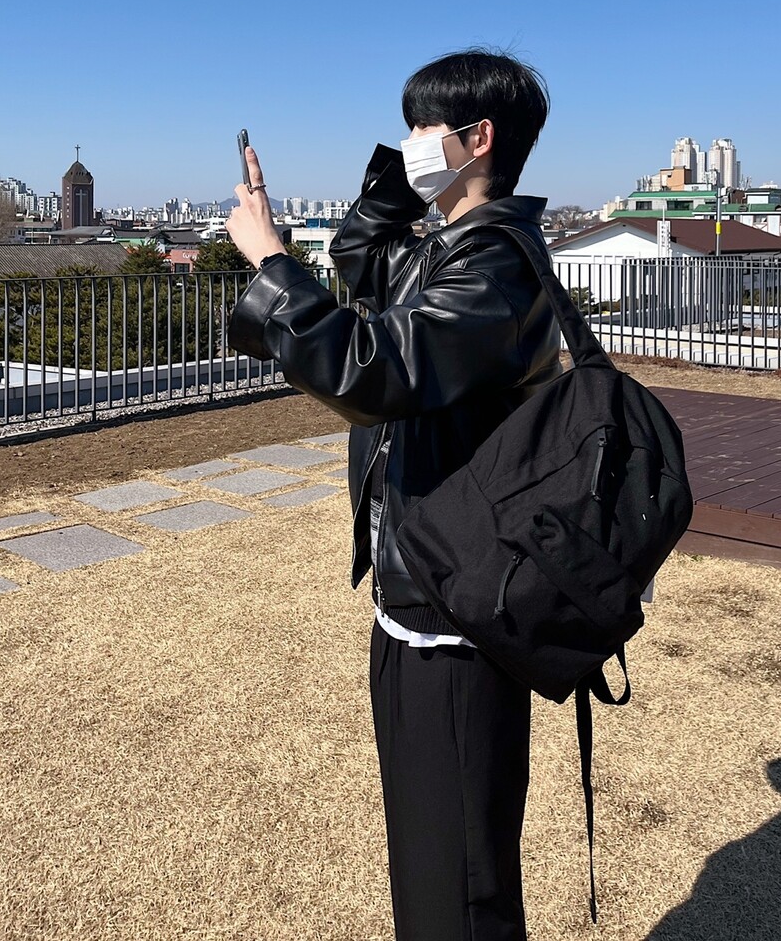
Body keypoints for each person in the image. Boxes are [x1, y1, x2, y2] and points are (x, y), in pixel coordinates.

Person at [226, 48, 558, 941]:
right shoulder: (450, 251)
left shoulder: (494, 269)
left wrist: (270, 263)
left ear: (477, 138)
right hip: (421, 593)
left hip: (458, 613)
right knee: (432, 858)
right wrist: (399, 182)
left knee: (458, 881)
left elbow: (373, 371)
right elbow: (360, 256)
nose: (407, 140)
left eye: (421, 128)